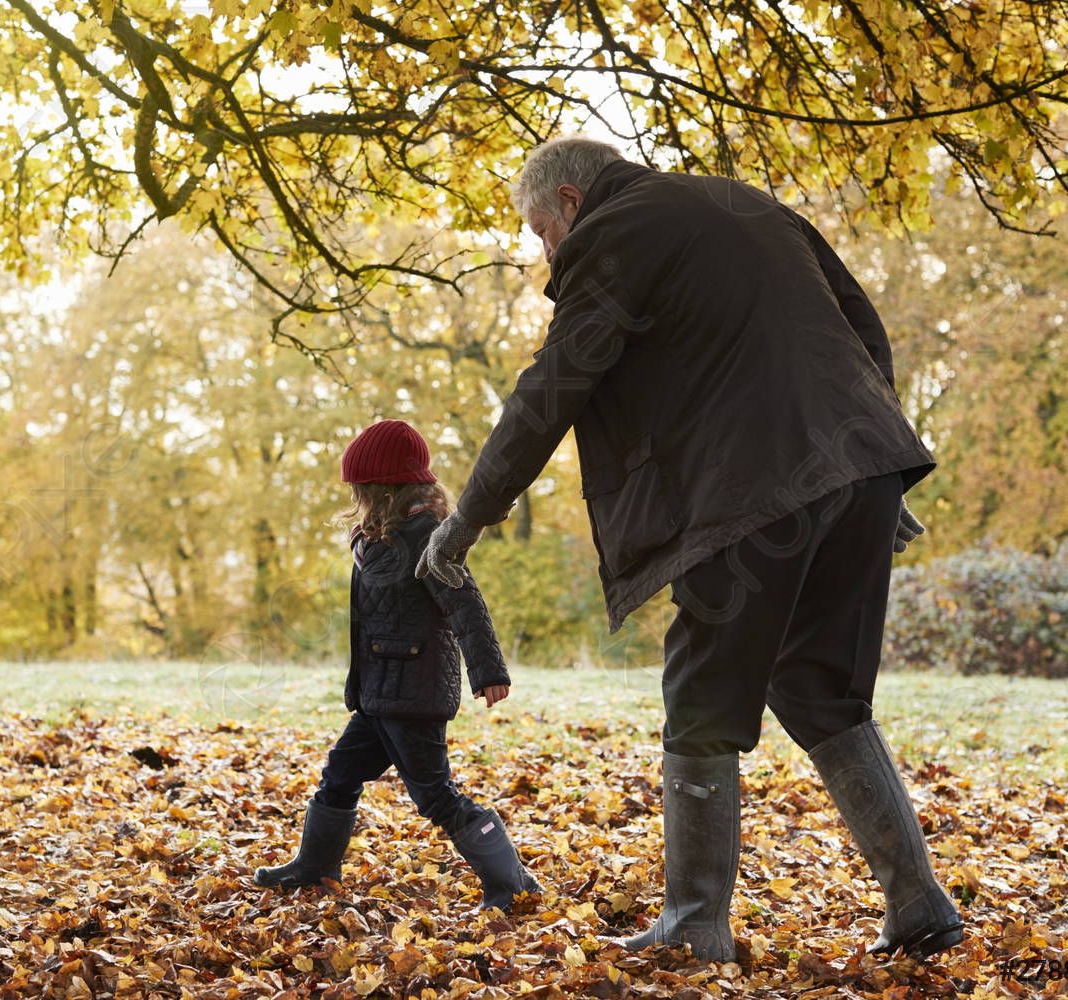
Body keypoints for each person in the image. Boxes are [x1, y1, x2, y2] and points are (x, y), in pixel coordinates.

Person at [416, 137, 963, 961]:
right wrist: (867, 467)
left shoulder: (612, 234)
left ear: (569, 201)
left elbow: (555, 388)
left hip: (749, 491)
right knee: (824, 690)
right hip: (862, 465)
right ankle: (919, 903)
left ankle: (696, 922)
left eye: (539, 233)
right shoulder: (747, 203)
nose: (545, 255)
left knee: (702, 700)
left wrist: (465, 521)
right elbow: (861, 329)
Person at [255, 418, 541, 912]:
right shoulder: (380, 537)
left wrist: (488, 670)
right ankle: (316, 866)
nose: (357, 496)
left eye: (362, 488)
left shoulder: (429, 536)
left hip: (413, 693)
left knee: (436, 797)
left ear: (384, 488)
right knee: (340, 774)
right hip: (379, 694)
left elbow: (464, 602)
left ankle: (512, 884)